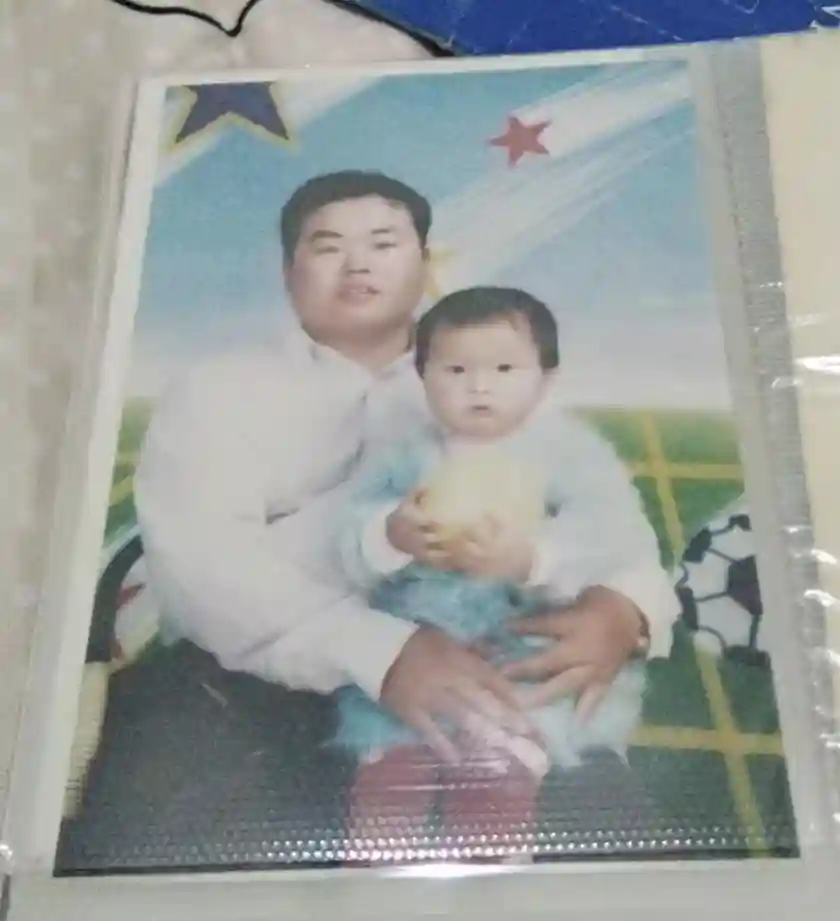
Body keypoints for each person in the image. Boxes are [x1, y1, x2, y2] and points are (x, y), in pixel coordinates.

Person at [59, 170, 678, 870]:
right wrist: (386, 651)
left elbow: (607, 519)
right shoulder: (217, 392)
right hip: (247, 686)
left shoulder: (489, 373)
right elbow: (207, 573)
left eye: (383, 243)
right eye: (327, 246)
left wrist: (623, 608)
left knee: (619, 850)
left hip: (490, 661)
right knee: (163, 859)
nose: (358, 265)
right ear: (288, 271)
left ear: (425, 260)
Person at [334, 286, 661, 848]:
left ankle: (494, 859)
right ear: (423, 377)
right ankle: (380, 859)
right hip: (422, 638)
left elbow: (612, 527)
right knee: (391, 776)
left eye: (504, 369)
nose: (479, 387)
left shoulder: (568, 452)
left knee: (499, 770)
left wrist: (534, 557)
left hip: (519, 641)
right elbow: (349, 529)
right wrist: (390, 534)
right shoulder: (405, 454)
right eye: (456, 370)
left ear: (546, 378)